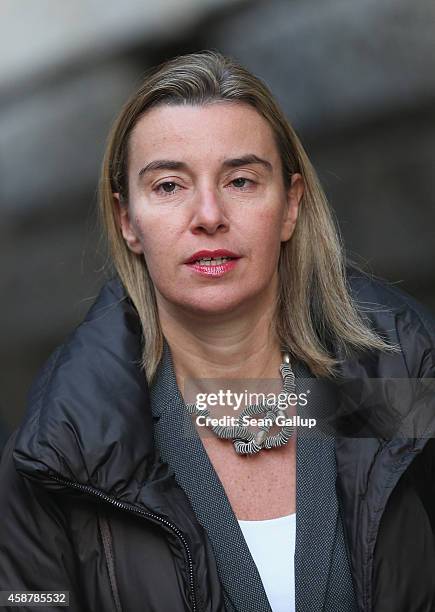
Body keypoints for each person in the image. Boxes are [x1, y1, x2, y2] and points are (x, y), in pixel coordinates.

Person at [0, 50, 434, 612]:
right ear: (128, 221)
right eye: (169, 186)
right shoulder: (61, 452)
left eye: (242, 180)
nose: (208, 214)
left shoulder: (396, 382)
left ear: (290, 206)